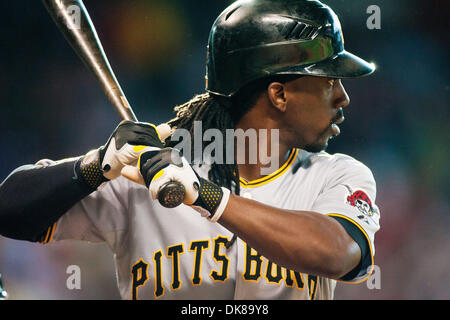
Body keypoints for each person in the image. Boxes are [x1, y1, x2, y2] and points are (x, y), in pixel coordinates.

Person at [0, 0, 380, 300]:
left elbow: (340, 253)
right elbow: (9, 211)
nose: (343, 97)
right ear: (278, 94)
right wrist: (98, 164)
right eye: (329, 81)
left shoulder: (337, 175)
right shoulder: (147, 169)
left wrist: (205, 195)